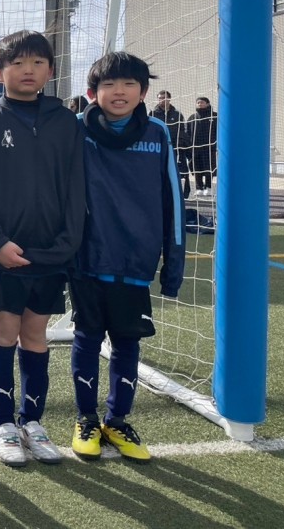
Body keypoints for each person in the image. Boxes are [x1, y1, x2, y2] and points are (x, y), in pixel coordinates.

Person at [0, 29, 85, 467]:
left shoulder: (67, 122)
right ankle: (4, 424)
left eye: (37, 62)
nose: (28, 70)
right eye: (17, 63)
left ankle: (32, 422)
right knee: (3, 333)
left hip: (51, 252)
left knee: (35, 336)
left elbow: (76, 186)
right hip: (2, 254)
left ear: (50, 70)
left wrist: (68, 242)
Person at [71, 52, 185, 463]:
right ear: (92, 93)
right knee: (87, 338)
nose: (118, 92)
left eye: (129, 84)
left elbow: (173, 200)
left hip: (135, 258)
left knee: (126, 341)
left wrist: (173, 267)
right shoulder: (76, 129)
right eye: (109, 84)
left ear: (144, 92)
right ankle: (86, 419)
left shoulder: (157, 133)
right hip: (87, 257)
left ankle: (117, 420)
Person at [151, 91, 191, 199]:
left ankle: (183, 194)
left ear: (169, 99)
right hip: (159, 147)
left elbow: (182, 131)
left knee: (181, 170)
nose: (162, 100)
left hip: (176, 147)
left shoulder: (177, 114)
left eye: (164, 97)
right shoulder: (153, 114)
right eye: (160, 98)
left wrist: (182, 144)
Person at [187, 96, 217, 196]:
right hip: (195, 148)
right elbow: (187, 132)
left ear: (207, 104)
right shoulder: (192, 117)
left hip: (209, 148)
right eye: (198, 103)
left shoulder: (214, 116)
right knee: (196, 168)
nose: (200, 104)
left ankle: (208, 187)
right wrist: (189, 145)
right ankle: (198, 187)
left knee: (208, 167)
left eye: (202, 102)